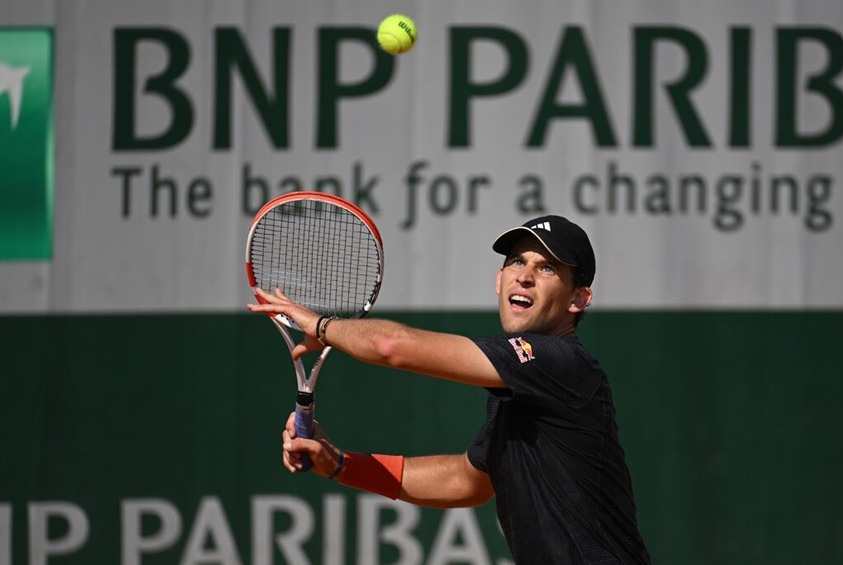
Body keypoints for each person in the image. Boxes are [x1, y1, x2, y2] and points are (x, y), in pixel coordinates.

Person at [248, 215, 651, 564]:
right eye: (516, 261)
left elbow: (393, 347)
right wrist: (340, 464)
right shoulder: (519, 390)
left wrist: (321, 326)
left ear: (578, 298)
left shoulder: (562, 363)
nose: (524, 275)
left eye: (547, 268)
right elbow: (466, 480)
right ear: (499, 280)